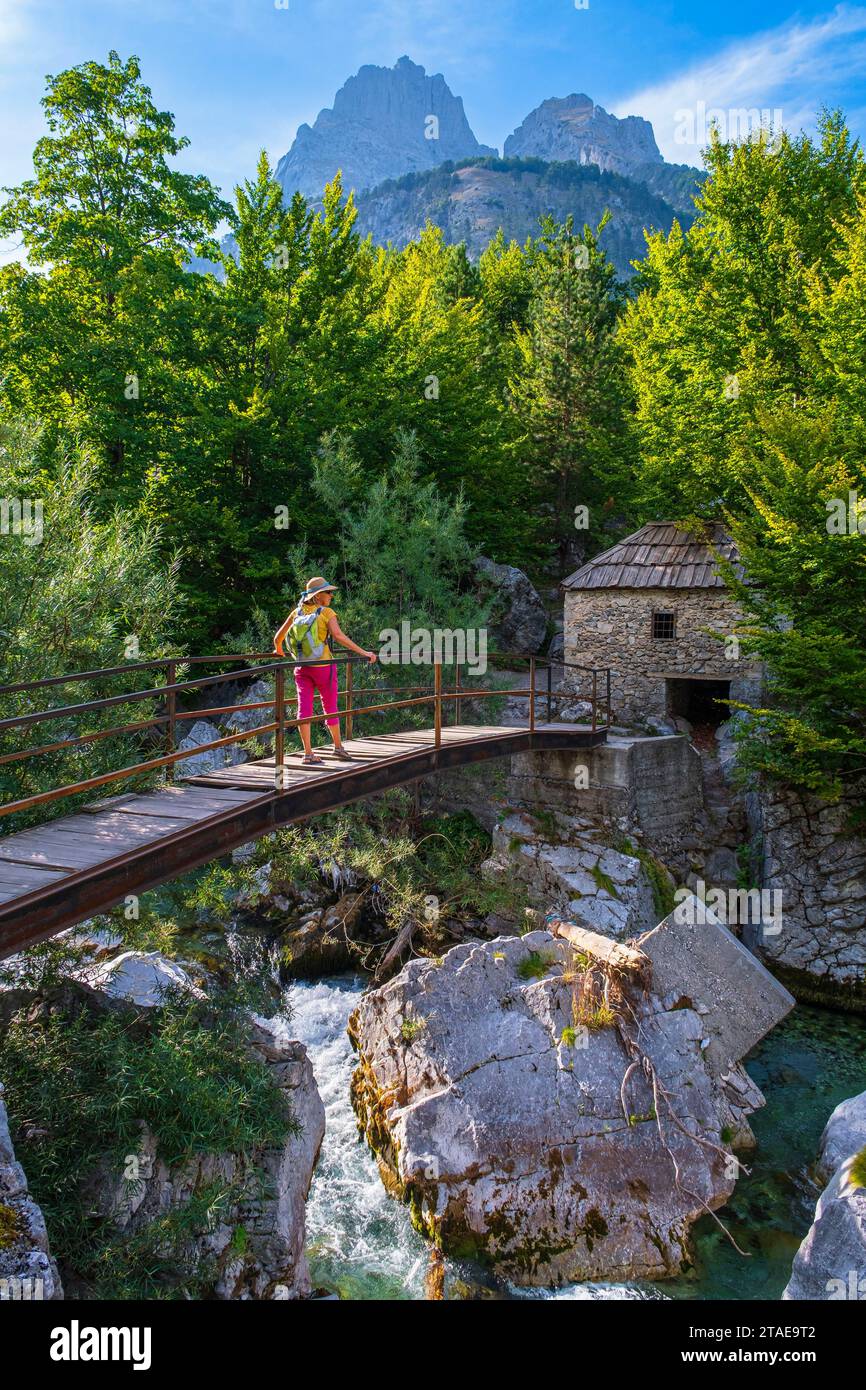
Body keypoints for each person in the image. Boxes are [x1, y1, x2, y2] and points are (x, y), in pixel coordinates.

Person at [273, 577, 376, 766]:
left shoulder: (297, 613)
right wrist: (364, 653)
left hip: (302, 668)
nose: (331, 595)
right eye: (328, 592)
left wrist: (278, 650)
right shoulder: (326, 613)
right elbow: (338, 636)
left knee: (304, 709)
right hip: (323, 668)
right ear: (318, 596)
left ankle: (308, 753)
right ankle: (338, 748)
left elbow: (278, 638)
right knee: (330, 706)